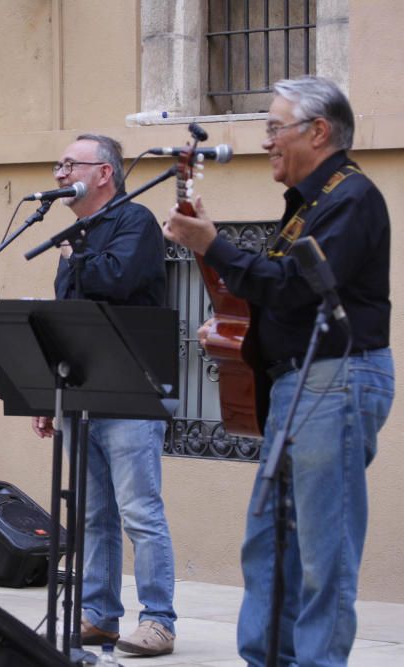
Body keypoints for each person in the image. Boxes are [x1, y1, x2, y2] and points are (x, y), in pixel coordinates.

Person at [164, 76, 394, 666]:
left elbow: (294, 289)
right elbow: (263, 292)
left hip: (335, 380)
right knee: (269, 543)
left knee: (322, 549)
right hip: (302, 383)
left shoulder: (352, 197)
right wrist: (212, 251)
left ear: (318, 132)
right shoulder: (309, 205)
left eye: (273, 128)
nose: (265, 141)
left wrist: (215, 247)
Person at [31, 134, 177, 656]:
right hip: (82, 394)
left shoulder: (134, 223)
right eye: (58, 163)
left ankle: (159, 619)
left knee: (140, 512)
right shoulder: (78, 232)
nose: (59, 172)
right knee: (93, 513)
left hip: (131, 393)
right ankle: (99, 614)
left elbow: (115, 280)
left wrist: (73, 253)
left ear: (104, 174)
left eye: (70, 163)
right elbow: (68, 323)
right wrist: (53, 398)